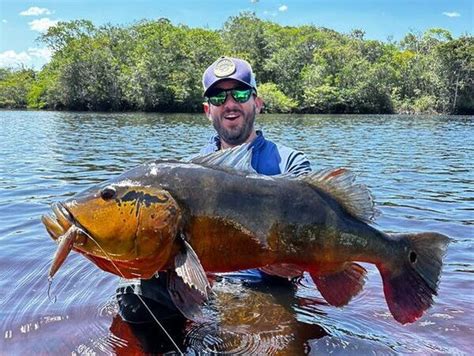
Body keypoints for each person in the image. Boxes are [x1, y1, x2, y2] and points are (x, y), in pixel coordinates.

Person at [116, 56, 312, 323]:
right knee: (135, 295)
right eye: (218, 98)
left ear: (257, 102)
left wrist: (288, 265)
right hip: (207, 286)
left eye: (240, 93)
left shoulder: (291, 164)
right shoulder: (188, 174)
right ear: (207, 110)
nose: (230, 104)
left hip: (270, 288)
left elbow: (313, 239)